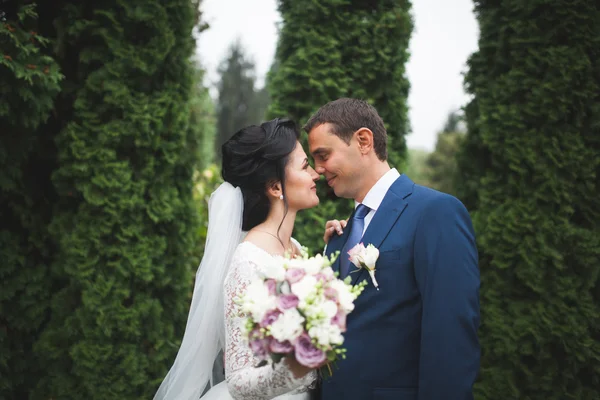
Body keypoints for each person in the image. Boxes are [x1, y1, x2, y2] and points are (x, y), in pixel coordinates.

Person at [307, 98, 480, 400]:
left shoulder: (435, 212)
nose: (318, 170)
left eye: (324, 155)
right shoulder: (338, 237)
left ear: (363, 140)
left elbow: (450, 337)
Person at [153, 118, 324, 400]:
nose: (315, 174)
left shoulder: (295, 247)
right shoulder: (249, 262)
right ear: (275, 187)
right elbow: (239, 381)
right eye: (305, 166)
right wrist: (298, 367)